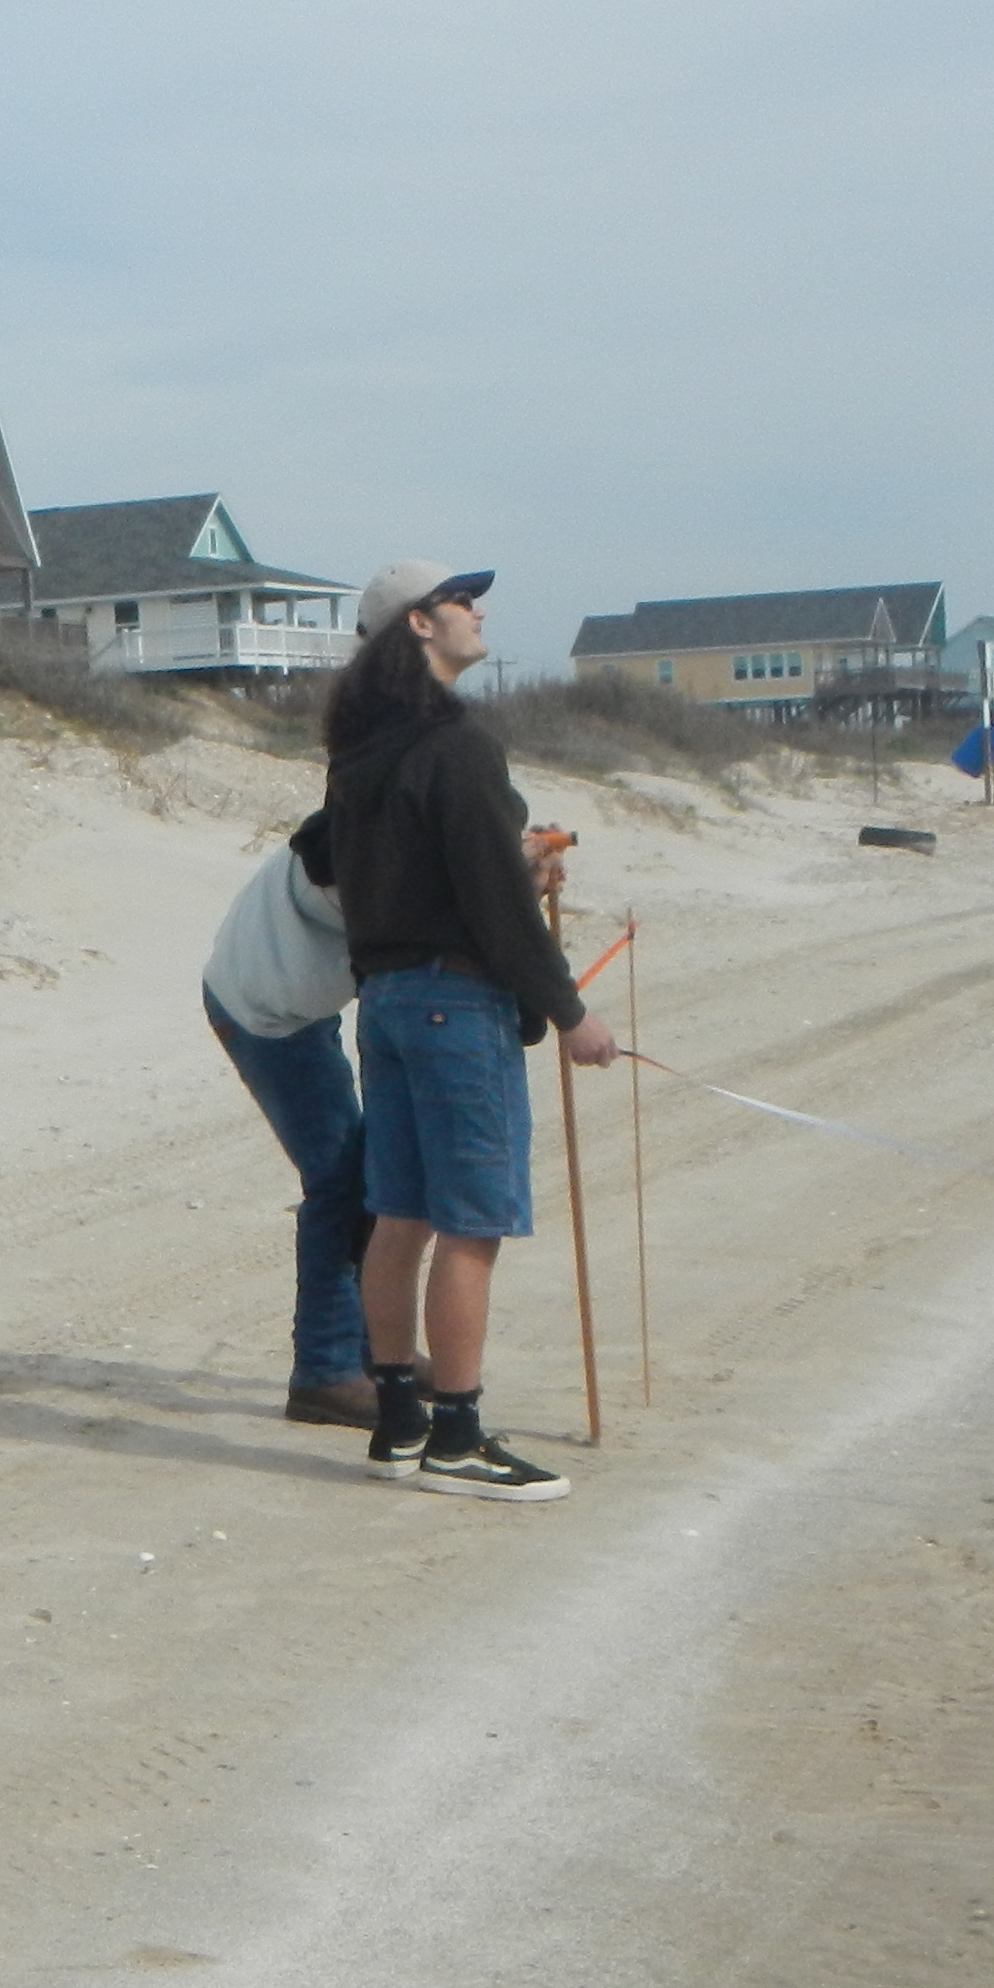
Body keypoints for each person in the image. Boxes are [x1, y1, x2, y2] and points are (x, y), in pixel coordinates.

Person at [322, 559, 621, 1498]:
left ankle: (398, 1416)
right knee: (470, 1223)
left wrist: (511, 861)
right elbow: (493, 907)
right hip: (454, 1006)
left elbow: (401, 879)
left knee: (402, 1213)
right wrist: (571, 1012)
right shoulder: (455, 746)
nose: (477, 610)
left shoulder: (360, 749)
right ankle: (455, 1433)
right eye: (460, 601)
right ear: (419, 625)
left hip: (388, 1002)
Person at [200, 812, 376, 1426]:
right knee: (341, 1183)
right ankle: (326, 1372)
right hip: (262, 1010)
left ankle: (371, 1349)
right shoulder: (375, 853)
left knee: (364, 1174)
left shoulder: (362, 813)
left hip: (279, 992)